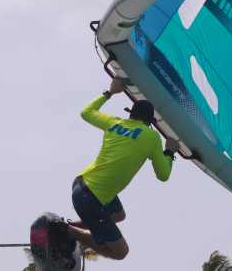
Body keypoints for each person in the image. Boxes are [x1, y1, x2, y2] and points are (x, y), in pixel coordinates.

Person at [57, 77, 178, 260]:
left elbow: (86, 113)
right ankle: (67, 231)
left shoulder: (115, 123)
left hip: (82, 183)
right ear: (150, 122)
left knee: (118, 215)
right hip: (91, 198)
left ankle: (72, 225)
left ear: (130, 115)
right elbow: (163, 175)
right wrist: (169, 152)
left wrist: (110, 92)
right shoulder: (152, 137)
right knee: (120, 252)